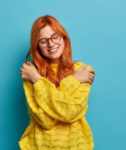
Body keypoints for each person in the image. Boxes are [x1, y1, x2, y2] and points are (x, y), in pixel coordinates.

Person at [19, 15, 95, 150]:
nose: (51, 44)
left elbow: (70, 112)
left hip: (76, 146)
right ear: (37, 46)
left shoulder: (83, 70)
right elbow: (45, 120)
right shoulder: (31, 72)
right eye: (43, 41)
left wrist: (38, 82)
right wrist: (74, 80)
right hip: (39, 146)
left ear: (64, 38)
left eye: (55, 37)